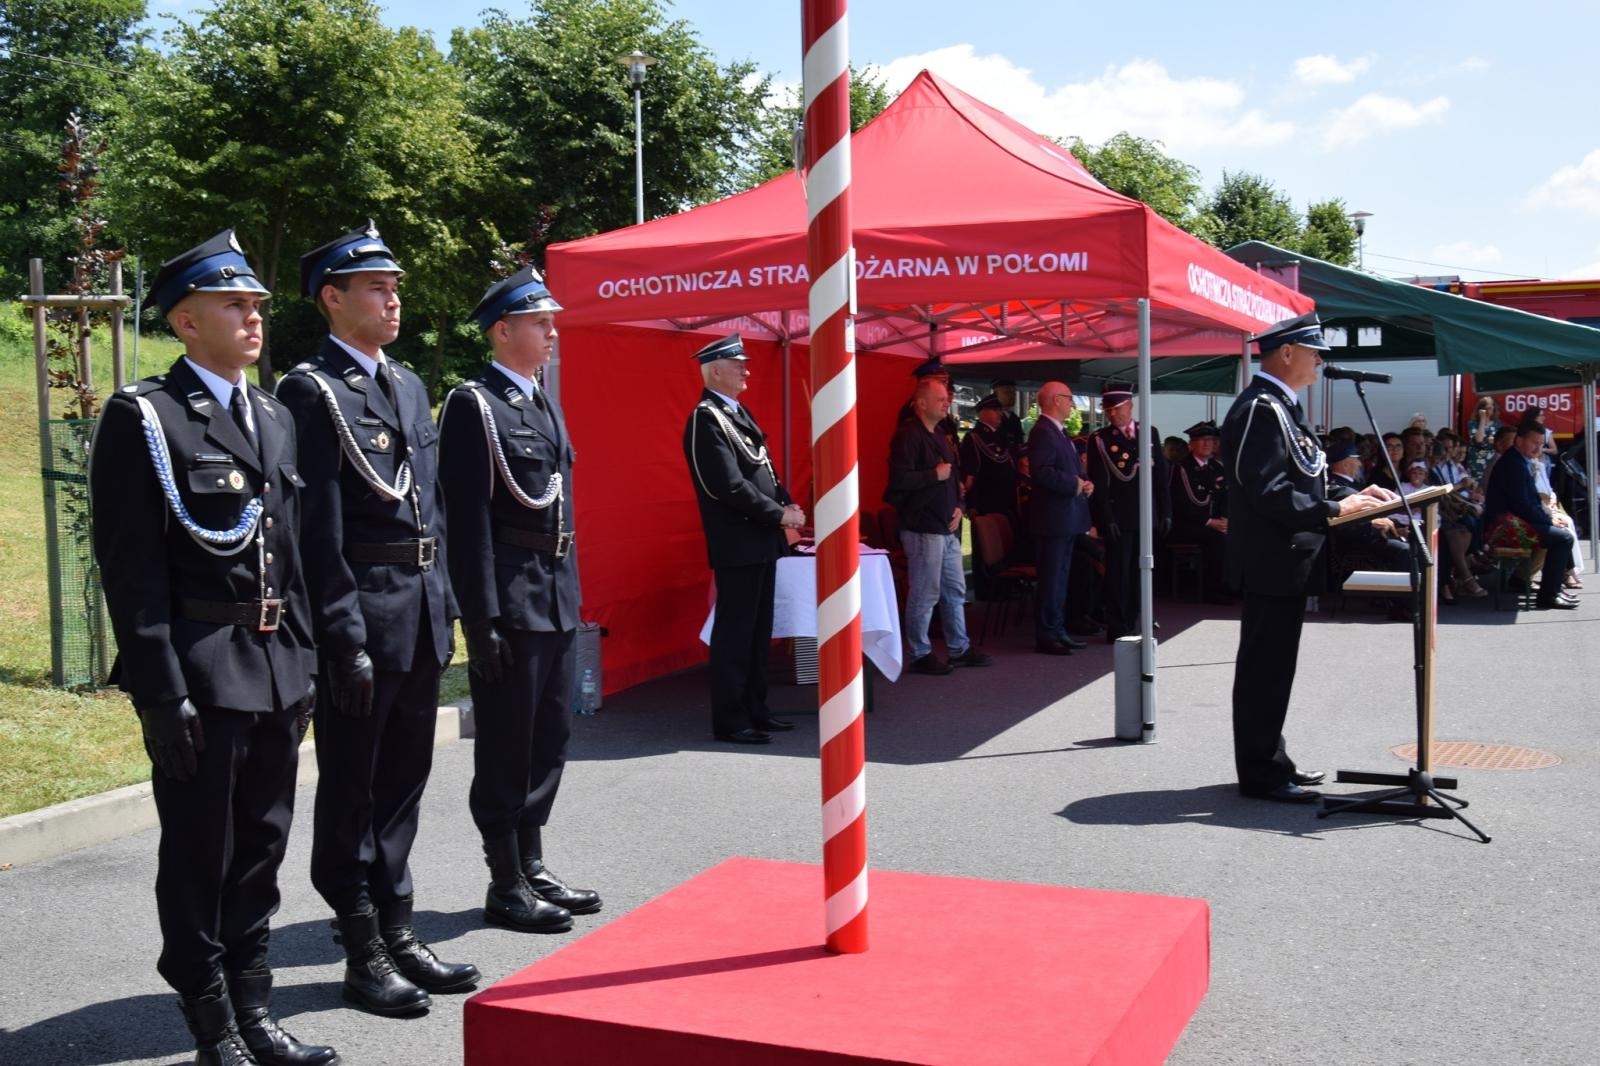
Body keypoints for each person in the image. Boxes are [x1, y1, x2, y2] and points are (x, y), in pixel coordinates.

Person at [89, 231, 337, 1066]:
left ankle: (255, 1005)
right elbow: (133, 570)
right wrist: (160, 695)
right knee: (203, 850)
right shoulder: (147, 418)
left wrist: (305, 662)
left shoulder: (271, 413)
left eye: (259, 304)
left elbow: (292, 552)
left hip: (274, 666)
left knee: (263, 845)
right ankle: (210, 1020)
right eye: (235, 304)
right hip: (201, 667)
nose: (254, 316)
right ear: (186, 322)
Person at [275, 223, 476, 1017]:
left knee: (402, 785)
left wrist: (447, 603)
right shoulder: (311, 389)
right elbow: (315, 532)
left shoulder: (409, 386)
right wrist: (341, 636)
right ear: (332, 298)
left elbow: (434, 507)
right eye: (374, 288)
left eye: (394, 287)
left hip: (419, 616)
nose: (392, 299)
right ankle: (360, 945)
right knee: (353, 791)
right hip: (362, 621)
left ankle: (398, 926)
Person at [437, 266, 601, 936]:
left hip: (554, 594)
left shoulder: (540, 401)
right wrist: (481, 618)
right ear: (502, 332)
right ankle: (504, 880)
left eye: (551, 321)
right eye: (539, 322)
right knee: (507, 744)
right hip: (509, 599)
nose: (552, 331)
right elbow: (466, 519)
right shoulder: (474, 406)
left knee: (550, 737)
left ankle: (531, 862)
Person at [1222, 312, 1395, 803]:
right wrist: (1337, 508)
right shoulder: (1260, 408)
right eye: (1315, 351)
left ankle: (1273, 761)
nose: (1321, 360)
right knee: (1264, 671)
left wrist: (1355, 492)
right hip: (1270, 561)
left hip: (1286, 562)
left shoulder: (1282, 406)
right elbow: (1267, 492)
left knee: (1275, 670)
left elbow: (1303, 476)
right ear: (1288, 353)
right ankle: (1261, 774)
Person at [682, 334, 806, 742]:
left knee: (758, 631)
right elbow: (726, 486)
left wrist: (787, 507)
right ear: (715, 370)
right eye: (738, 364)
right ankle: (732, 719)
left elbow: (765, 472)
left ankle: (757, 708)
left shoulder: (736, 413)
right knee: (736, 633)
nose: (746, 369)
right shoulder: (706, 418)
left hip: (761, 539)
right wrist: (778, 514)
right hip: (737, 542)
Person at [888, 376, 993, 674]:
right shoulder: (908, 436)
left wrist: (959, 508)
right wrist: (933, 475)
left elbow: (955, 479)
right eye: (940, 399)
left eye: (947, 398)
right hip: (923, 527)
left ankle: (959, 647)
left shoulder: (939, 435)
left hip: (946, 525)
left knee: (954, 589)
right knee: (926, 591)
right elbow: (898, 481)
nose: (947, 403)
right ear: (921, 404)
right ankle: (920, 652)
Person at [1087, 381, 1168, 642]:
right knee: (1118, 572)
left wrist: (1165, 511)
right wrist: (1104, 517)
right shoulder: (1100, 439)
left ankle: (1136, 616)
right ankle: (1117, 623)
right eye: (1108, 409)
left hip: (1145, 514)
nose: (1112, 413)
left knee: (1140, 570)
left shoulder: (1149, 433)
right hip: (1118, 515)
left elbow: (1160, 477)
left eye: (1117, 408)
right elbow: (1098, 483)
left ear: (1130, 406)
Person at [1026, 381, 1093, 655]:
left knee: (1061, 577)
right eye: (1068, 398)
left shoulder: (1058, 433)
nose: (1072, 404)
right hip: (1053, 518)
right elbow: (1041, 472)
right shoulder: (1043, 432)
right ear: (1055, 400)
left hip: (1065, 517)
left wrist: (1084, 482)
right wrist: (1074, 484)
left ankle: (1057, 628)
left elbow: (1071, 467)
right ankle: (1047, 633)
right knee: (1052, 578)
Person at [1484, 420, 1579, 610]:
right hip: (1505, 526)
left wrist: (1550, 517)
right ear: (1519, 441)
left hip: (1516, 520)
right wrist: (1548, 520)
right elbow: (1522, 506)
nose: (1538, 448)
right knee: (1563, 538)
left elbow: (1531, 501)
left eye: (1541, 444)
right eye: (1534, 443)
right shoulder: (1513, 464)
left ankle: (1552, 589)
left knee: (1560, 533)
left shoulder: (1519, 460)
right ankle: (1549, 595)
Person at [1166, 420, 1231, 603]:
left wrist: (1225, 519)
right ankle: (1212, 590)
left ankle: (1232, 586)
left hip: (1213, 522)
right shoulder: (1182, 468)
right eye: (1201, 440)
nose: (1206, 444)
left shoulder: (1217, 468)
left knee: (1236, 534)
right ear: (1191, 444)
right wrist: (1210, 521)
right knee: (1216, 538)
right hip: (1186, 524)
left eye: (1210, 440)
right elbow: (1182, 503)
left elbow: (1225, 497)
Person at [959, 394, 1021, 525]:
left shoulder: (1001, 435)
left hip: (1006, 499)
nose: (1000, 414)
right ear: (983, 412)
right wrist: (972, 504)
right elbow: (971, 473)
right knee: (987, 540)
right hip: (986, 501)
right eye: (995, 410)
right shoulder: (974, 438)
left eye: (1000, 410)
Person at [896, 356, 961, 458]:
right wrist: (935, 473)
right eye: (941, 381)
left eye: (945, 382)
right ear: (924, 383)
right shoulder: (912, 410)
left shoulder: (937, 409)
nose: (945, 386)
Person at [990, 379, 1026, 452]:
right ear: (996, 394)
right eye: (1007, 392)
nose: (1012, 396)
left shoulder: (1014, 418)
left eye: (1014, 392)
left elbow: (1019, 442)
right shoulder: (991, 417)